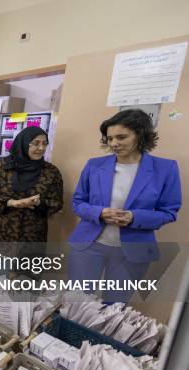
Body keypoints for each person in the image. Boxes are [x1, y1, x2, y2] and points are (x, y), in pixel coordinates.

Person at [68, 109, 182, 302]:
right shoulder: (94, 165)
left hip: (132, 251)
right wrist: (100, 212)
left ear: (140, 134)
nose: (114, 143)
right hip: (88, 246)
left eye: (121, 137)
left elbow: (169, 212)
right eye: (109, 138)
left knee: (114, 306)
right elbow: (78, 203)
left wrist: (134, 217)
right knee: (76, 301)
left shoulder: (165, 169)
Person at [0, 126, 63, 243]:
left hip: (31, 236)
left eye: (45, 143)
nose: (41, 148)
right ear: (23, 143)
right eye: (36, 143)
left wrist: (38, 203)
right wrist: (12, 202)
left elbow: (57, 202)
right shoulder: (3, 166)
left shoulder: (51, 172)